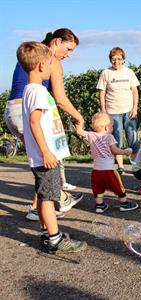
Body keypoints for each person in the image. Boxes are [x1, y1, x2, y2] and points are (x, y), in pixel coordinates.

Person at [4, 28, 84, 221]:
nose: (68, 55)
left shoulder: (31, 53)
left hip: (12, 111)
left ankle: (50, 204)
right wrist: (78, 117)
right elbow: (60, 98)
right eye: (68, 49)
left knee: (41, 164)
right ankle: (48, 209)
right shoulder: (49, 60)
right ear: (56, 42)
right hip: (30, 112)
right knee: (46, 163)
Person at [18, 41, 87, 254]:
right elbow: (34, 123)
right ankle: (56, 239)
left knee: (43, 194)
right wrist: (47, 152)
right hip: (46, 156)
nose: (53, 67)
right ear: (40, 65)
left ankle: (47, 232)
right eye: (50, 63)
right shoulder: (37, 91)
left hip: (42, 156)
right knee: (49, 197)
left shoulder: (30, 90)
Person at [75, 112, 138, 213]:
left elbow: (79, 131)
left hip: (96, 170)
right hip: (108, 169)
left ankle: (99, 205)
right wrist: (126, 152)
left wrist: (79, 123)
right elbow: (115, 151)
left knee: (98, 188)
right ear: (106, 128)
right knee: (118, 186)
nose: (112, 128)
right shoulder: (109, 137)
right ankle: (124, 203)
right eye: (112, 126)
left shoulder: (91, 135)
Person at [97, 47, 140, 175]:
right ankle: (120, 166)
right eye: (113, 59)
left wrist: (135, 108)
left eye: (119, 59)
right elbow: (102, 92)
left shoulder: (129, 72)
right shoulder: (106, 73)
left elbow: (135, 92)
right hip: (112, 111)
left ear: (123, 60)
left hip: (129, 110)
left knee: (132, 138)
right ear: (110, 60)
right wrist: (104, 111)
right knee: (117, 138)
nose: (116, 62)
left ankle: (135, 164)